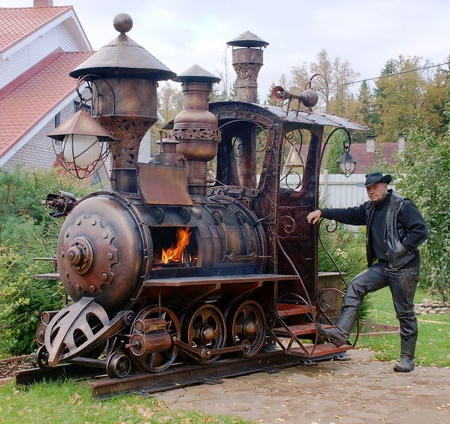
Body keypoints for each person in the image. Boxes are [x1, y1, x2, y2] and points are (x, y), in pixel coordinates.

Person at [307, 171, 428, 373]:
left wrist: (401, 249)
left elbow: (420, 230)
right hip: (382, 266)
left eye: (374, 187)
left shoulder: (402, 205)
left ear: (384, 186)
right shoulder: (370, 208)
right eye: (368, 189)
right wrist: (323, 212)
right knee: (356, 285)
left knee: (404, 312)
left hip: (404, 266)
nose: (371, 191)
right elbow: (349, 213)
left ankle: (407, 358)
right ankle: (339, 333)